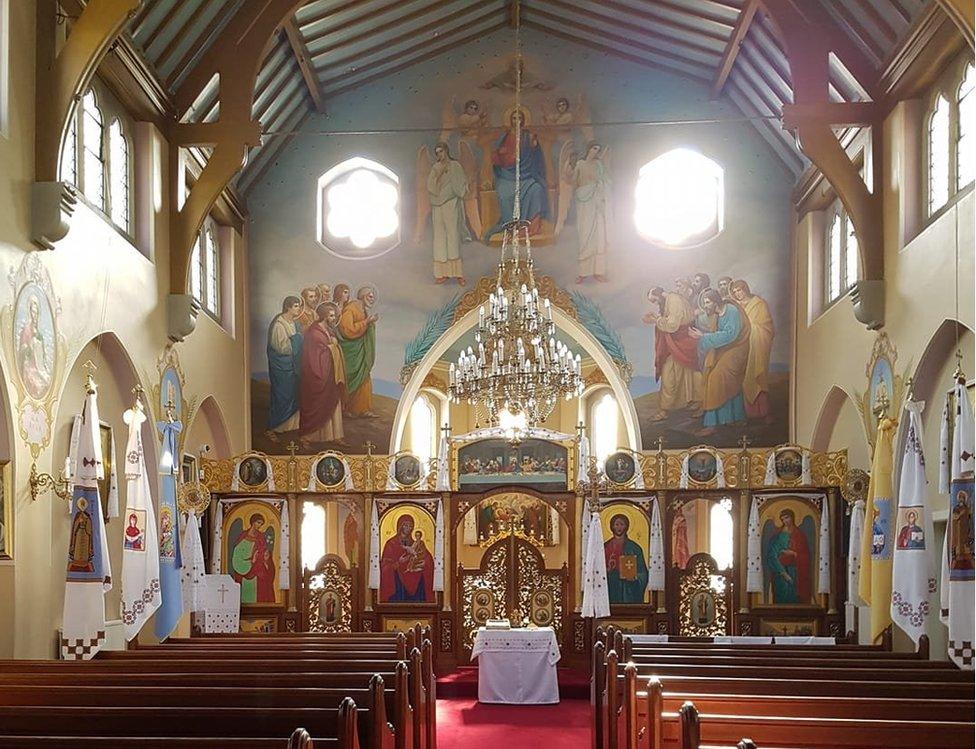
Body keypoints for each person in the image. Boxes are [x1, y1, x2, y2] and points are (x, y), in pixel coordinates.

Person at [689, 289, 751, 435]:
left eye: (707, 302)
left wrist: (703, 336)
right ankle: (732, 418)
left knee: (717, 377)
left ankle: (712, 424)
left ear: (715, 302)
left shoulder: (731, 311)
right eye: (704, 303)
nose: (705, 305)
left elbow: (731, 335)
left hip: (737, 348)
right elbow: (706, 326)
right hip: (724, 348)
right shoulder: (715, 315)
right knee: (714, 376)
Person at [484, 109, 549, 241]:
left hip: (526, 176)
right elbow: (495, 159)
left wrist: (535, 147)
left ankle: (530, 228)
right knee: (503, 192)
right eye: (514, 118)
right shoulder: (504, 137)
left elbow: (537, 158)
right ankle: (511, 227)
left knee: (537, 189)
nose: (516, 121)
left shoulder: (528, 137)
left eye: (519, 118)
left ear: (523, 120)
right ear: (510, 120)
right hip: (506, 176)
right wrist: (500, 153)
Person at [643, 286, 701, 421]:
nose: (657, 304)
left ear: (660, 295)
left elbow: (672, 326)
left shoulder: (674, 300)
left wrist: (655, 320)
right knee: (677, 374)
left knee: (675, 374)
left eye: (656, 300)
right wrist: (657, 318)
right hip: (676, 343)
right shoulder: (669, 300)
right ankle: (671, 407)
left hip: (682, 342)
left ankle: (668, 409)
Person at [299, 302, 347, 447]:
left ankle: (335, 436)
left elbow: (329, 348)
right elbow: (314, 356)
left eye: (334, 315)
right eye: (331, 316)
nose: (334, 318)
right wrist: (332, 347)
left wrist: (333, 346)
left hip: (331, 376)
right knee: (318, 405)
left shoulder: (329, 331)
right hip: (319, 376)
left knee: (334, 402)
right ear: (324, 316)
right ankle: (308, 437)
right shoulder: (314, 333)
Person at [731, 279, 774, 421]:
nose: (738, 294)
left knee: (757, 378)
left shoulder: (758, 304)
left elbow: (766, 327)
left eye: (740, 290)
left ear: (746, 289)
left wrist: (751, 329)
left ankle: (762, 412)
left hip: (756, 346)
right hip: (740, 348)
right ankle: (743, 414)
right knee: (740, 378)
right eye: (735, 291)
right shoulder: (735, 306)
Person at [427, 142, 468, 286]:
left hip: (450, 201)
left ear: (446, 151)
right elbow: (430, 185)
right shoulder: (436, 168)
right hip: (437, 203)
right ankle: (441, 273)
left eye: (441, 151)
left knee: (452, 234)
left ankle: (457, 273)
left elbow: (461, 182)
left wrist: (459, 189)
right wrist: (438, 177)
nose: (439, 155)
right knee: (439, 236)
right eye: (437, 153)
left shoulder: (455, 165)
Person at [266, 296, 303, 439]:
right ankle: (274, 427)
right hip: (281, 366)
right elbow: (280, 347)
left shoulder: (295, 324)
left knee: (294, 394)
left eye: (299, 306)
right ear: (287, 307)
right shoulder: (279, 324)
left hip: (293, 366)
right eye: (295, 306)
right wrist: (298, 339)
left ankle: (291, 427)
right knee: (282, 396)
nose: (298, 308)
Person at [338, 286, 379, 418]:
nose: (372, 300)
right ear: (362, 296)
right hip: (350, 352)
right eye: (370, 296)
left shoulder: (363, 310)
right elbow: (347, 330)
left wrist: (369, 322)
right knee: (349, 378)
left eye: (373, 297)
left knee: (364, 377)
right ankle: (346, 408)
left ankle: (362, 409)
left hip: (361, 352)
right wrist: (367, 321)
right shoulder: (351, 309)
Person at [573, 141, 610, 283]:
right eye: (594, 148)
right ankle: (583, 272)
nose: (596, 151)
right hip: (584, 203)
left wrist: (600, 187)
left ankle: (598, 271)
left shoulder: (598, 165)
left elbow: (605, 180)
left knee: (599, 237)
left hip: (597, 202)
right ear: (589, 149)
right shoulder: (580, 164)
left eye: (598, 149)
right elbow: (573, 181)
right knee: (585, 236)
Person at [380, 514, 434, 603]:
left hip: (415, 580)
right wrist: (398, 563)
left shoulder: (417, 544)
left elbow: (428, 559)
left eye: (410, 526)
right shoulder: (391, 544)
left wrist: (425, 563)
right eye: (406, 525)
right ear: (400, 526)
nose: (408, 528)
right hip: (398, 583)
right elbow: (384, 566)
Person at [765, 508, 811, 604]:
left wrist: (794, 554)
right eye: (782, 519)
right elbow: (772, 555)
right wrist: (783, 573)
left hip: (795, 571)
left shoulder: (800, 535)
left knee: (794, 598)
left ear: (792, 517)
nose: (785, 521)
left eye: (787, 517)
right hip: (780, 573)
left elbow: (806, 556)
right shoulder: (778, 535)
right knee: (781, 597)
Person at [231, 513, 276, 604]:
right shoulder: (243, 536)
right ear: (252, 522)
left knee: (262, 590)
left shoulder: (261, 537)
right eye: (258, 522)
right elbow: (237, 554)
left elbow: (263, 551)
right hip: (246, 570)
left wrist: (266, 559)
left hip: (258, 570)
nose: (260, 525)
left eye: (261, 524)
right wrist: (251, 561)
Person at [604, 513, 648, 604]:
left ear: (626, 526)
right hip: (609, 587)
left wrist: (635, 577)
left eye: (622, 524)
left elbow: (643, 573)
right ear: (612, 526)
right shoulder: (605, 547)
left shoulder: (634, 548)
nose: (619, 527)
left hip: (628, 590)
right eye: (616, 524)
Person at [17, 294, 52, 399]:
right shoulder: (26, 330)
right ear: (29, 312)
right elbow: (22, 351)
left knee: (47, 381)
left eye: (36, 313)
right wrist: (29, 347)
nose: (34, 315)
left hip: (39, 366)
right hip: (29, 367)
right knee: (37, 384)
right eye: (32, 312)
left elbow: (43, 356)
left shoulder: (40, 334)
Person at [68, 497, 95, 573]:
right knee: (78, 546)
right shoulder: (77, 514)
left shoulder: (87, 515)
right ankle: (76, 560)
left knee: (85, 547)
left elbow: (89, 526)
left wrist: (86, 520)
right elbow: (75, 525)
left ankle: (84, 561)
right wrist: (79, 521)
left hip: (86, 533)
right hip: (79, 532)